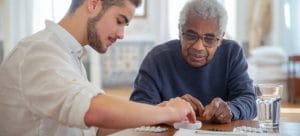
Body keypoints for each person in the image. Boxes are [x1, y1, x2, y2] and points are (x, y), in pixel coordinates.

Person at [0, 0, 196, 135]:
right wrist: (168, 112)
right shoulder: (38, 51)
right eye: (120, 21)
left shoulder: (69, 56)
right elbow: (91, 110)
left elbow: (92, 127)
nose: (121, 35)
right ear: (93, 3)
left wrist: (154, 112)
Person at [130, 0, 257, 124]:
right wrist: (170, 109)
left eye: (209, 38)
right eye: (191, 35)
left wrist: (231, 109)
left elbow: (250, 101)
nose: (198, 47)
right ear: (180, 31)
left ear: (220, 39)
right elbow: (137, 109)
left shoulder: (231, 53)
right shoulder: (157, 58)